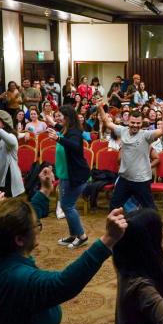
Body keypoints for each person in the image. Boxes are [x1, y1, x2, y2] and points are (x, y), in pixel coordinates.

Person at [102, 103, 163, 210]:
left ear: (142, 123)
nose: (135, 125)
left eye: (138, 123)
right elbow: (107, 123)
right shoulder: (122, 131)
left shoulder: (146, 135)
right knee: (114, 206)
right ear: (128, 121)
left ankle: (157, 227)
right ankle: (115, 226)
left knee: (150, 209)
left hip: (141, 180)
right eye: (132, 122)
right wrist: (100, 108)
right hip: (125, 179)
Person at [51, 105, 93, 249]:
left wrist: (57, 138)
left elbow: (74, 145)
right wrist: (53, 126)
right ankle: (73, 235)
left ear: (67, 117)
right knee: (66, 205)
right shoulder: (65, 129)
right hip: (66, 175)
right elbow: (60, 131)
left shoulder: (74, 132)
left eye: (60, 115)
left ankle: (81, 236)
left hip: (75, 176)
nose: (58, 118)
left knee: (67, 206)